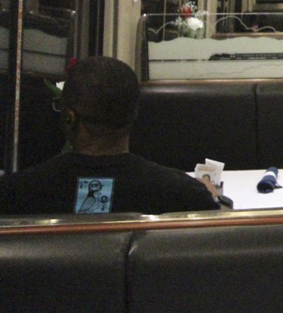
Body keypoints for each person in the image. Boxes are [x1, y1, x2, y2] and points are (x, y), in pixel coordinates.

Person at [0, 56, 222, 215]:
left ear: (69, 117)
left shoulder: (14, 194)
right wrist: (212, 195)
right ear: (134, 114)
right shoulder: (185, 194)